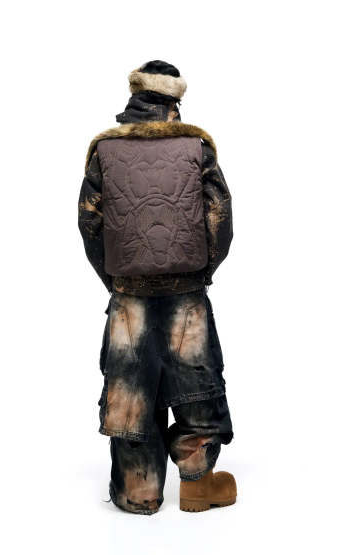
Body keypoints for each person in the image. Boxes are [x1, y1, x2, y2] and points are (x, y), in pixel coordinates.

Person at [78, 60, 236, 515]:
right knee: (196, 382)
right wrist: (201, 273)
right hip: (187, 293)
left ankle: (138, 492)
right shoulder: (197, 147)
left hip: (128, 296)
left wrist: (116, 280)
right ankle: (198, 484)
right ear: (173, 102)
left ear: (134, 98)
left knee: (131, 390)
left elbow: (90, 223)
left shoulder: (104, 150)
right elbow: (219, 218)